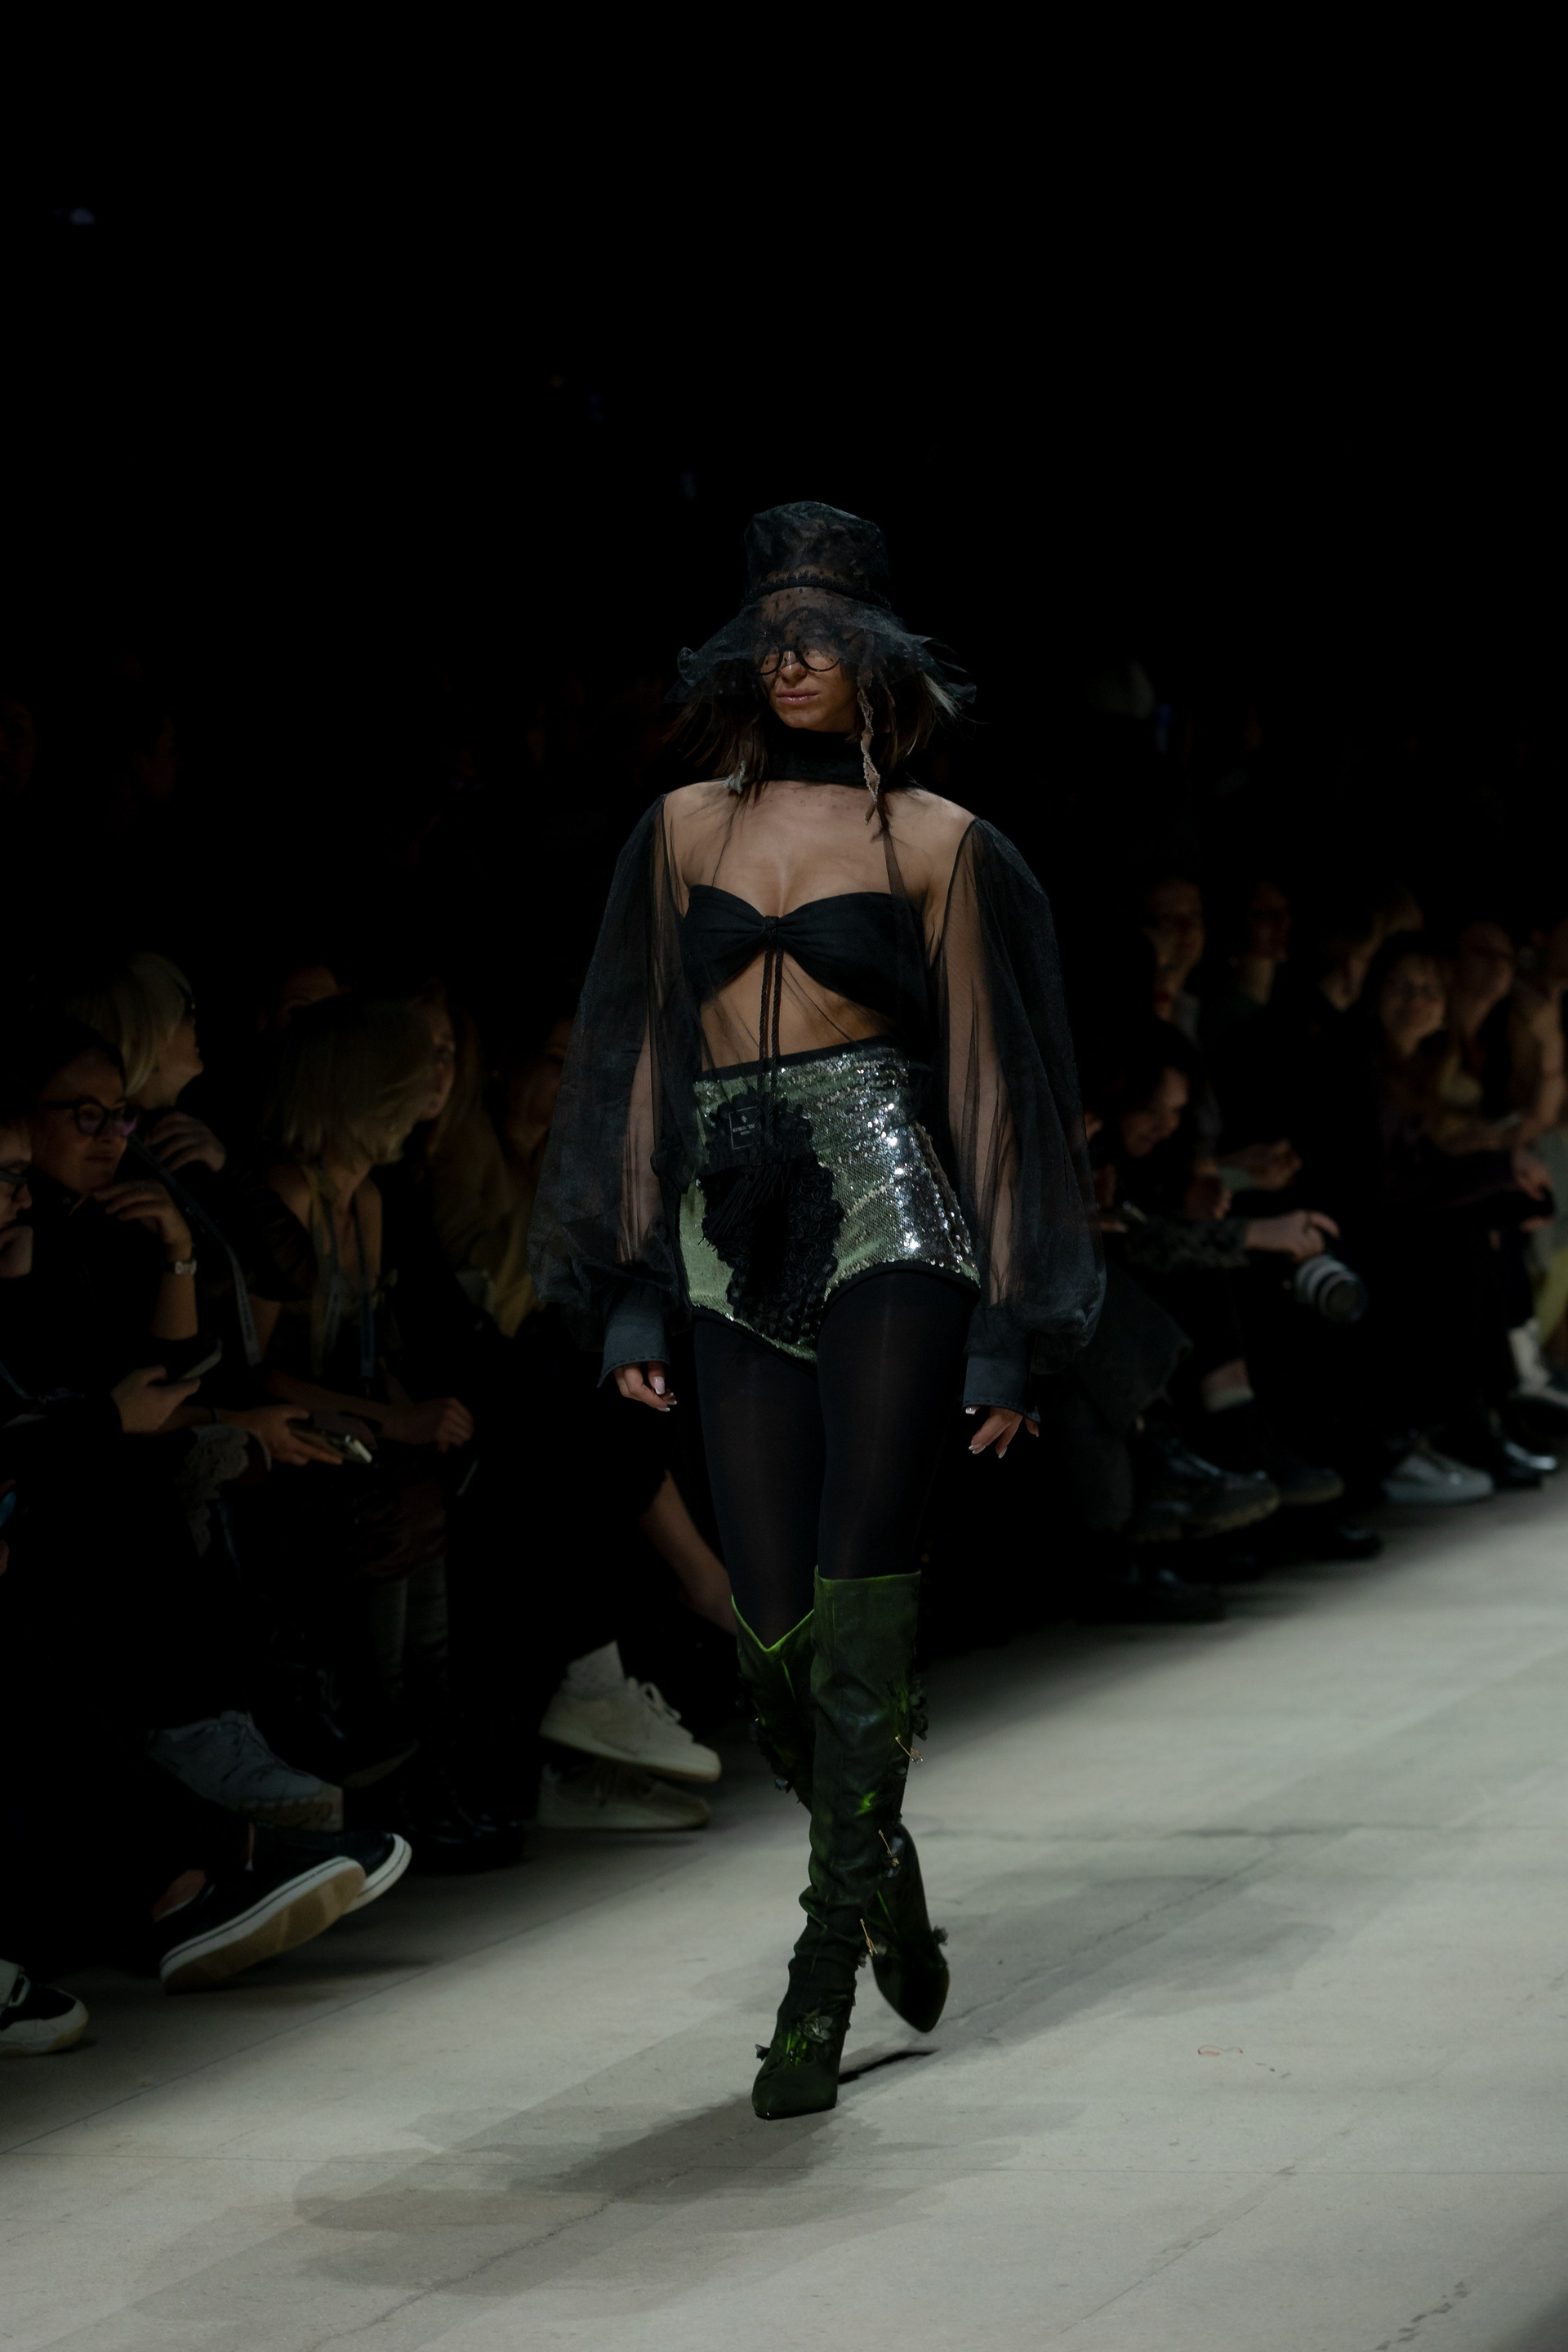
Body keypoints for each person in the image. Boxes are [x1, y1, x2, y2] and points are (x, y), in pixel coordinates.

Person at [531, 501, 1102, 2119]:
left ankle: (820, 1975)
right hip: (725, 1226)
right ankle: (882, 1859)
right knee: (770, 1623)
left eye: (823, 635)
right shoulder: (677, 834)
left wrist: (1010, 1326)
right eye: (772, 634)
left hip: (888, 1210)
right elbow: (637, 1062)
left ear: (874, 657)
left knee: (859, 1594)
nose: (794, 660)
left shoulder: (937, 843)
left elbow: (991, 1083)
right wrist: (631, 1294)